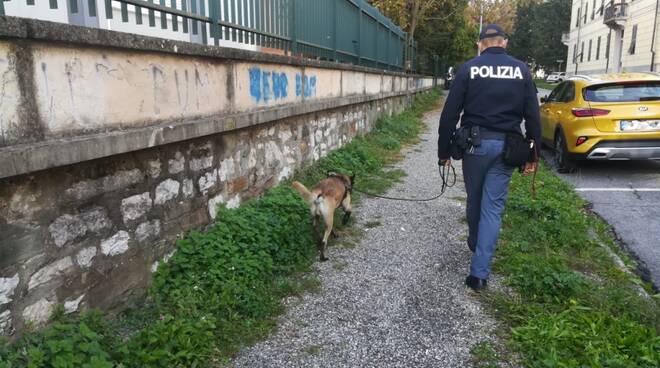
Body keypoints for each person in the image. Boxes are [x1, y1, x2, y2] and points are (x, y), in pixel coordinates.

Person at [437, 24, 541, 291]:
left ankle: (476, 243)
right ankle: (479, 274)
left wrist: (444, 152)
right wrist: (534, 154)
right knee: (492, 208)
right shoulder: (522, 70)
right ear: (504, 42)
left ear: (481, 43)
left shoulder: (469, 69)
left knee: (475, 200)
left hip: (475, 146)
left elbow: (450, 113)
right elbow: (533, 115)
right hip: (508, 148)